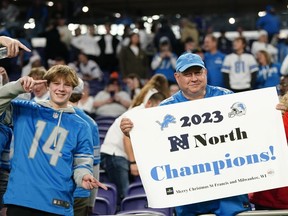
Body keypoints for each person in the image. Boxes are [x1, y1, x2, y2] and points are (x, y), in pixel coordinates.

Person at [120, 53, 251, 216]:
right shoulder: (165, 108)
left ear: (205, 73)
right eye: (188, 74)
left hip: (229, 192)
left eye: (198, 73)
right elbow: (154, 145)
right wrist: (133, 133)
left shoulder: (227, 98)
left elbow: (250, 131)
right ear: (177, 77)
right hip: (190, 193)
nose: (194, 78)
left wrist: (274, 114)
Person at [0, 65, 107, 215]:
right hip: (22, 199)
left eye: (67, 84)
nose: (61, 89)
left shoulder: (82, 125)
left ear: (73, 89)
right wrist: (17, 87)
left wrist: (83, 176)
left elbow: (82, 162)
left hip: (58, 204)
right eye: (56, 83)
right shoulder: (25, 110)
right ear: (47, 85)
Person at [101, 91, 167, 206]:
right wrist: (133, 163)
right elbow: (126, 139)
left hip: (121, 155)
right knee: (125, 194)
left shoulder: (147, 115)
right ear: (149, 103)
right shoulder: (136, 114)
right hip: (114, 155)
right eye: (156, 108)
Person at [69, 78, 101, 216]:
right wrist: (91, 202)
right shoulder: (90, 123)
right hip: (80, 192)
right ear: (82, 95)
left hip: (51, 191)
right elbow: (94, 166)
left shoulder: (47, 116)